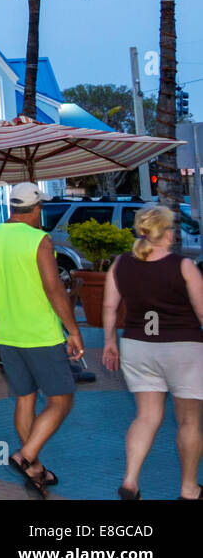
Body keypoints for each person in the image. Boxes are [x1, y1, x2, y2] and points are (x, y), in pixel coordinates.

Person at [0, 181, 83, 498]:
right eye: (41, 208)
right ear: (35, 209)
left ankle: (35, 471)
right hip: (39, 334)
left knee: (25, 398)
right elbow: (54, 288)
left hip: (6, 333)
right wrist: (73, 330)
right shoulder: (39, 240)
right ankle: (27, 455)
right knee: (62, 400)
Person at [102, 205, 203, 500]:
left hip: (137, 346)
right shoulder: (183, 266)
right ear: (165, 233)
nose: (174, 233)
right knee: (189, 421)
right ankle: (189, 489)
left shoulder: (120, 264)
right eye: (172, 228)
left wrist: (109, 342)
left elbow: (109, 308)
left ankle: (130, 480)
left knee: (146, 417)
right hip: (182, 348)